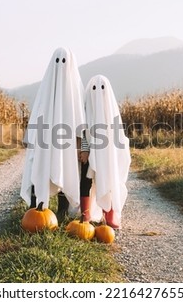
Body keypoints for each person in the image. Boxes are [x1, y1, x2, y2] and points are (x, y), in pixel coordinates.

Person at [20, 47, 85, 221]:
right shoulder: (45, 90)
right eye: (57, 61)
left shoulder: (76, 91)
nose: (60, 65)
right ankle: (36, 209)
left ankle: (62, 212)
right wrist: (31, 140)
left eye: (64, 61)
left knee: (66, 169)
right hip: (44, 141)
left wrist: (81, 146)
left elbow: (80, 122)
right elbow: (36, 117)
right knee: (40, 168)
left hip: (68, 143)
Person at [82, 75, 131, 229]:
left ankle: (109, 212)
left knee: (108, 179)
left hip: (106, 154)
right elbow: (82, 130)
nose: (97, 93)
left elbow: (118, 137)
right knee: (85, 180)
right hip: (89, 152)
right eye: (94, 89)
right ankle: (85, 213)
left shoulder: (111, 111)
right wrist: (85, 149)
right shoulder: (85, 109)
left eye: (102, 88)